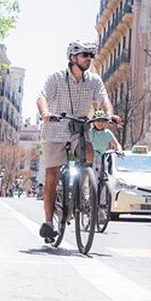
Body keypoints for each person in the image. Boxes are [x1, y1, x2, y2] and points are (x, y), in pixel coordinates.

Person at [36, 40, 120, 240]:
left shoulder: (94, 80)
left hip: (79, 128)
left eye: (91, 55)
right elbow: (42, 96)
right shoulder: (56, 78)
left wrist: (110, 115)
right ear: (73, 57)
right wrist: (46, 112)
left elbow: (103, 98)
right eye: (85, 55)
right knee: (51, 177)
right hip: (55, 128)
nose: (89, 59)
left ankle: (83, 189)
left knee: (89, 153)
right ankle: (48, 223)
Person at [90, 109, 122, 175]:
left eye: (102, 121)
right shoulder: (90, 132)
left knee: (105, 172)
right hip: (91, 156)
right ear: (94, 122)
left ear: (105, 122)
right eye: (98, 121)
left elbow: (116, 144)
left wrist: (119, 151)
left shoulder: (107, 133)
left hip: (102, 157)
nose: (100, 123)